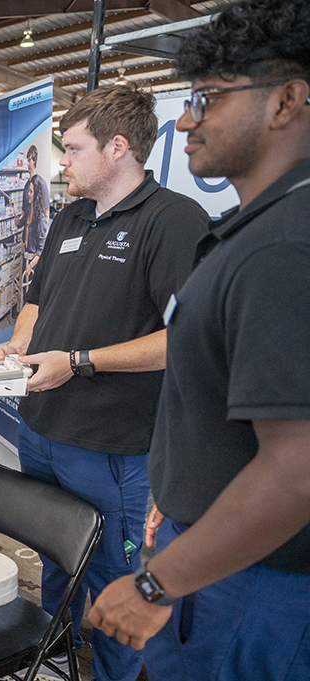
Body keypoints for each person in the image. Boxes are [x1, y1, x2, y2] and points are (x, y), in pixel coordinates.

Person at [90, 3, 310, 679]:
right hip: (218, 551)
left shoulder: (283, 248)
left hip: (247, 582)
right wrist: (176, 485)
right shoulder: (255, 228)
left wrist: (159, 584)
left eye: (207, 98)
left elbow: (297, 469)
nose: (186, 119)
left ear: (287, 102)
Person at [0, 84, 208, 681]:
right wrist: (19, 343)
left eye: (73, 148)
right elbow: (38, 300)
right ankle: (56, 657)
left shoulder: (173, 222)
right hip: (40, 430)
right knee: (56, 556)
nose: (63, 161)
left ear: (118, 147)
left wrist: (80, 360)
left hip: (114, 446)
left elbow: (183, 341)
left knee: (116, 578)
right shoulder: (70, 213)